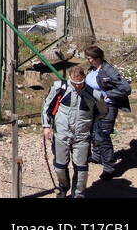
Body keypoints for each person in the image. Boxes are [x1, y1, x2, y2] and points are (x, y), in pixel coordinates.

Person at [41, 65, 103, 198]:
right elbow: (47, 106)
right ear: (70, 78)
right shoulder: (59, 88)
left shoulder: (94, 95)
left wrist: (89, 125)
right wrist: (46, 126)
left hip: (82, 137)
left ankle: (78, 194)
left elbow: (102, 112)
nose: (77, 86)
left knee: (81, 168)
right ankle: (63, 187)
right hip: (61, 135)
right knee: (60, 166)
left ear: (84, 79)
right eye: (74, 83)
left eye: (80, 82)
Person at [85, 45, 132, 179]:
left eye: (89, 58)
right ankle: (97, 156)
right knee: (93, 133)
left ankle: (109, 168)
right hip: (94, 107)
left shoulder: (109, 71)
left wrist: (108, 94)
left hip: (107, 108)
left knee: (102, 136)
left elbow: (126, 88)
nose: (88, 60)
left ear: (97, 58)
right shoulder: (93, 68)